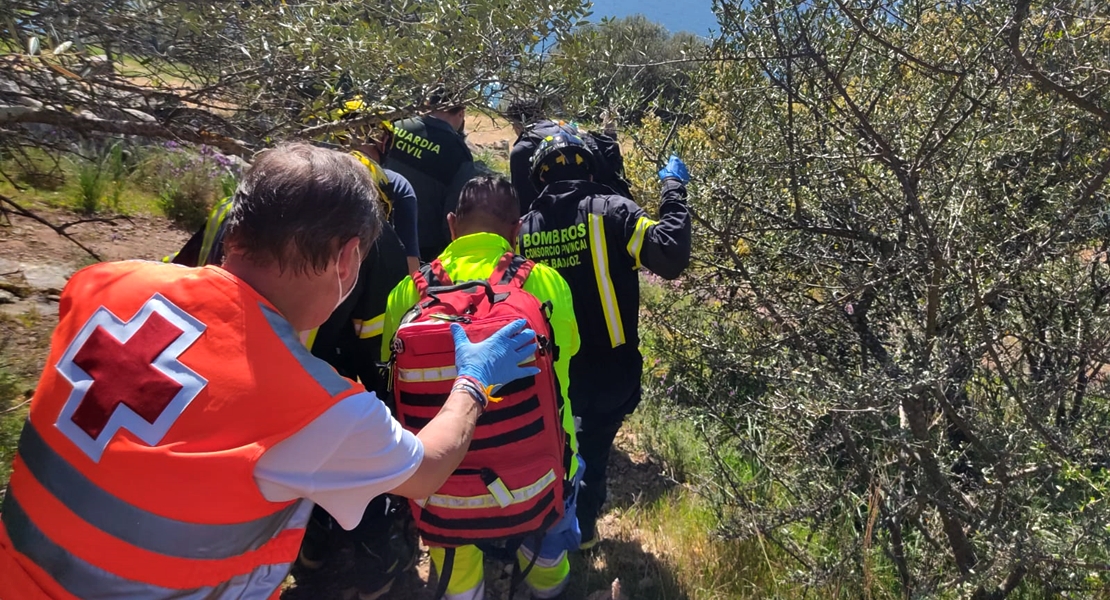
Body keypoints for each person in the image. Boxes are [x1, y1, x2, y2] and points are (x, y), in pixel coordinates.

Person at [0, 143, 538, 599]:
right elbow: (427, 469)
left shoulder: (102, 285)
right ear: (347, 258)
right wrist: (473, 381)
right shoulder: (315, 409)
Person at [167, 149, 415, 599]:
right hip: (287, 377)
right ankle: (375, 565)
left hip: (187, 363)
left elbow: (178, 270)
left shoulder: (238, 207)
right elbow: (377, 346)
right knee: (349, 450)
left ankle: (311, 552)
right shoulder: (375, 243)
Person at [383, 176, 583, 600]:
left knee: (454, 561)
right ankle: (548, 585)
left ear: (452, 225)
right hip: (538, 475)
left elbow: (390, 372)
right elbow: (566, 359)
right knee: (548, 547)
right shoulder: (548, 284)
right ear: (517, 229)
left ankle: (464, 589)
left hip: (438, 477)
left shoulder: (406, 293)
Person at [517, 132, 692, 550]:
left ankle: (541, 525)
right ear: (591, 169)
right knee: (591, 451)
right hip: (610, 368)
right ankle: (579, 535)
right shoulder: (613, 210)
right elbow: (670, 254)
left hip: (547, 367)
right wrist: (673, 189)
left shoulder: (522, 229)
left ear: (539, 178)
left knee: (555, 445)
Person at [383, 100, 476, 262]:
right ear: (461, 113)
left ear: (427, 103)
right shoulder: (459, 154)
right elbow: (454, 214)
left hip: (378, 235)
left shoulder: (397, 127)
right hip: (424, 252)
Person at [506, 100, 633, 215]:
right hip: (596, 211)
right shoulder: (572, 131)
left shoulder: (522, 150)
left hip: (552, 222)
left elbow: (523, 204)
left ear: (516, 125)